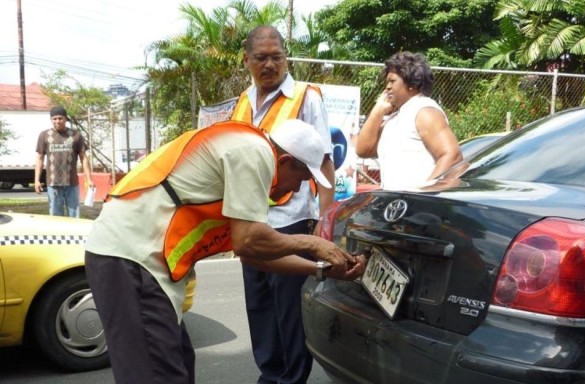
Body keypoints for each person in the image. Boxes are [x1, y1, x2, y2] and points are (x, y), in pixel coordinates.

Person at [84, 119, 366, 384]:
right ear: (284, 161)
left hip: (139, 261)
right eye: (302, 178)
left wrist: (321, 270)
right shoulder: (254, 154)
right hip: (129, 256)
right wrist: (313, 243)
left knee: (176, 365)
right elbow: (248, 242)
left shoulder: (249, 156)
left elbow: (253, 255)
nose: (298, 188)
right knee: (157, 374)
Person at [230, 25, 334, 384]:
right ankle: (269, 376)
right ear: (247, 60)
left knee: (289, 314)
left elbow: (323, 161)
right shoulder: (243, 101)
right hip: (249, 221)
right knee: (259, 309)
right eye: (261, 58)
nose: (270, 64)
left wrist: (323, 218)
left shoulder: (307, 97)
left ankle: (291, 380)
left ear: (286, 57)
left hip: (291, 219)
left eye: (277, 56)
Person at [356, 51, 462, 190]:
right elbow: (363, 150)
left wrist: (422, 194)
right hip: (397, 206)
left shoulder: (424, 111)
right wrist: (378, 110)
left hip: (418, 207)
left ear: (412, 83)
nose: (387, 87)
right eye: (387, 82)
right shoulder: (395, 118)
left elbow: (453, 157)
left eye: (392, 81)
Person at [34, 105, 95, 217]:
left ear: (66, 119)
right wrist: (36, 180)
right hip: (53, 183)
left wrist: (89, 179)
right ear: (51, 119)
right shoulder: (44, 135)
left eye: (60, 118)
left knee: (74, 215)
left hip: (72, 183)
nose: (57, 121)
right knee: (55, 216)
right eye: (55, 118)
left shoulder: (75, 135)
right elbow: (40, 158)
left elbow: (84, 158)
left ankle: (75, 234)